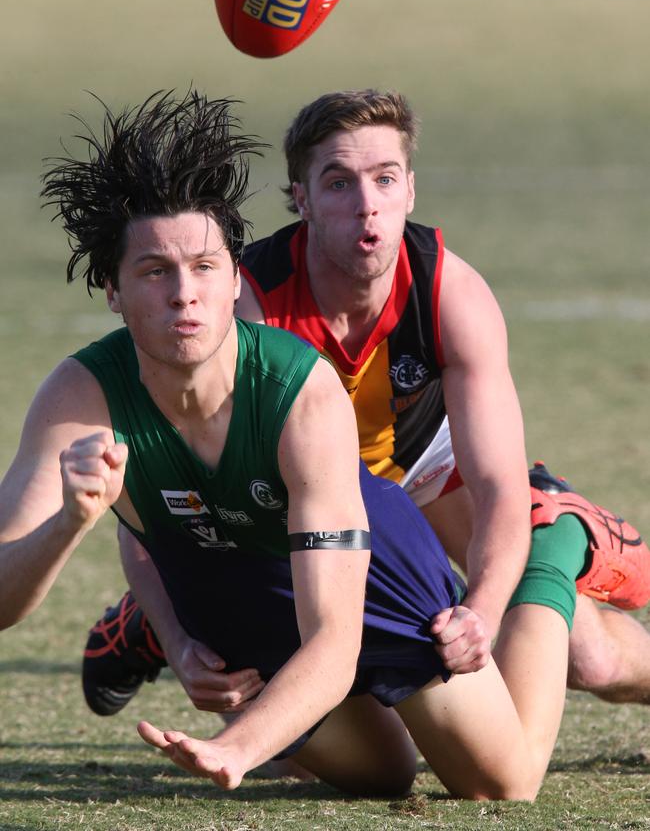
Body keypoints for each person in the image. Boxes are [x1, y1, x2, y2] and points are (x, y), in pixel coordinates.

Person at [0, 88, 576, 799]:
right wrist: (71, 524)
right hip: (232, 589)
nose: (186, 294)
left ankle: (552, 557)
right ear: (113, 289)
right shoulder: (78, 395)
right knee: (383, 778)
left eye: (206, 268)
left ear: (232, 277)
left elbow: (334, 643)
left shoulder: (297, 388)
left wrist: (237, 749)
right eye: (155, 272)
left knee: (500, 783)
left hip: (374, 572)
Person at [84, 88, 650, 721]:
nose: (366, 207)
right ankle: (151, 621)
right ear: (301, 199)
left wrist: (482, 612)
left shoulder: (451, 294)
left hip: (424, 474)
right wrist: (183, 630)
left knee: (586, 658)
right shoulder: (247, 308)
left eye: (384, 179)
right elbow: (154, 494)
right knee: (332, 721)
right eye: (337, 184)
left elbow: (497, 488)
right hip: (296, 505)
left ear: (410, 189)